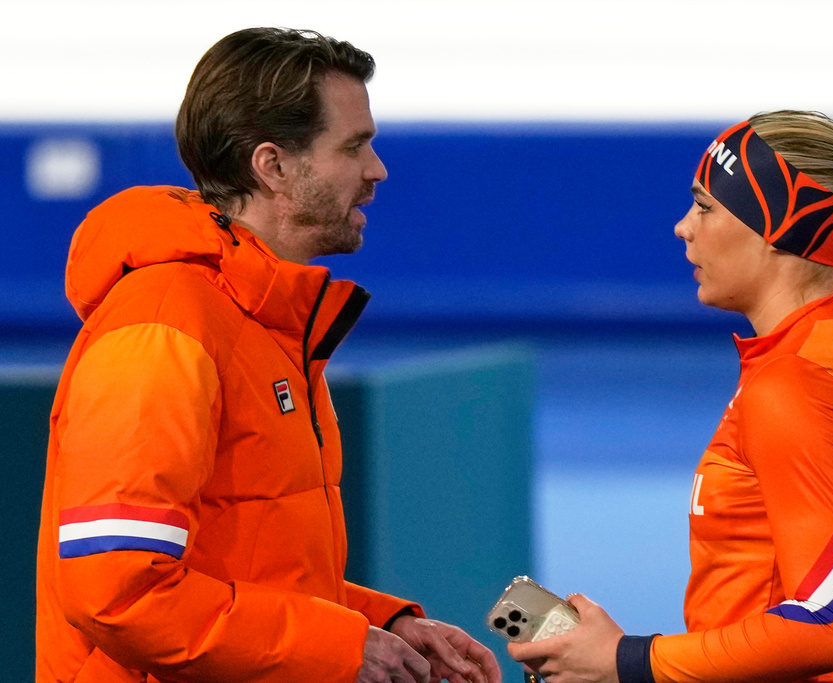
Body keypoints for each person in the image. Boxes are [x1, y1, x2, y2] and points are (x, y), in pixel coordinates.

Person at [36, 27, 501, 683]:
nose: (377, 170)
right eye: (355, 146)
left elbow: (249, 569)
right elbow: (118, 588)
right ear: (273, 165)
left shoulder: (264, 322)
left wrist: (381, 625)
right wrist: (339, 647)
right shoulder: (164, 326)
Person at [507, 111, 833, 682]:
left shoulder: (794, 383)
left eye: (705, 207)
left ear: (776, 229)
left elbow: (831, 624)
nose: (683, 227)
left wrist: (625, 661)